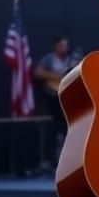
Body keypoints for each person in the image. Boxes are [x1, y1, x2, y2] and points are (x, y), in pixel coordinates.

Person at [35, 36, 76, 165]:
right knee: (55, 125)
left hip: (67, 96)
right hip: (52, 96)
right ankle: (52, 160)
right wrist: (57, 76)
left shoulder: (71, 60)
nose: (64, 48)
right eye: (61, 45)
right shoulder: (49, 59)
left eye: (66, 45)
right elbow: (38, 72)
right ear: (56, 46)